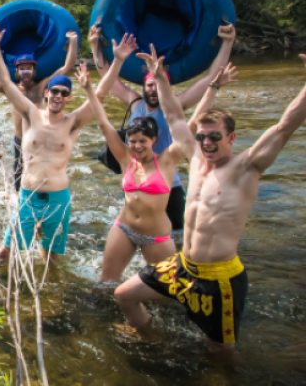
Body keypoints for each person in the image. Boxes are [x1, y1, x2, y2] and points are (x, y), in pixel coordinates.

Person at [114, 54, 306, 353]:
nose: (206, 142)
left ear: (232, 137)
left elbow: (284, 127)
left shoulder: (247, 168)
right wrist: (160, 77)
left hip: (220, 280)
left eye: (215, 136)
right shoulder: (195, 159)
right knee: (125, 295)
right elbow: (175, 117)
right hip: (183, 267)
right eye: (202, 136)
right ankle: (151, 341)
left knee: (218, 353)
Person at [84, 51, 233, 281]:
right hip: (124, 229)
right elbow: (104, 123)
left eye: (142, 142)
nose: (136, 146)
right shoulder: (125, 158)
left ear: (153, 140)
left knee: (170, 289)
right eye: (132, 142)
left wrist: (213, 86)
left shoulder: (167, 160)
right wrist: (87, 90)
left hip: (156, 237)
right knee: (106, 284)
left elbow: (189, 125)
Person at [0, 21, 118, 267]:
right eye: (54, 91)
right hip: (29, 196)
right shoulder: (30, 113)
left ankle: (49, 301)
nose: (57, 96)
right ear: (47, 93)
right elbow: (5, 81)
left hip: (58, 199)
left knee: (51, 259)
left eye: (63, 93)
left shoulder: (73, 122)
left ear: (68, 97)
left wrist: (117, 61)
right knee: (4, 253)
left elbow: (100, 94)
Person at [91, 23, 236, 241]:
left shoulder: (176, 105)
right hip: (138, 180)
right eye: (149, 85)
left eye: (157, 85)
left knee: (178, 239)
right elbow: (106, 76)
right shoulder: (134, 102)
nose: (153, 89)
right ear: (143, 86)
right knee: (135, 234)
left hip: (168, 183)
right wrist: (95, 46)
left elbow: (209, 79)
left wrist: (227, 42)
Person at [0, 28, 79, 191]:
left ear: (34, 70)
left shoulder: (42, 87)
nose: (25, 71)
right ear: (16, 71)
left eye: (29, 68)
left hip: (43, 138)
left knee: (47, 173)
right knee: (19, 175)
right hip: (21, 140)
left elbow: (67, 67)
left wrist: (73, 42)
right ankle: (18, 203)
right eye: (22, 68)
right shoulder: (10, 89)